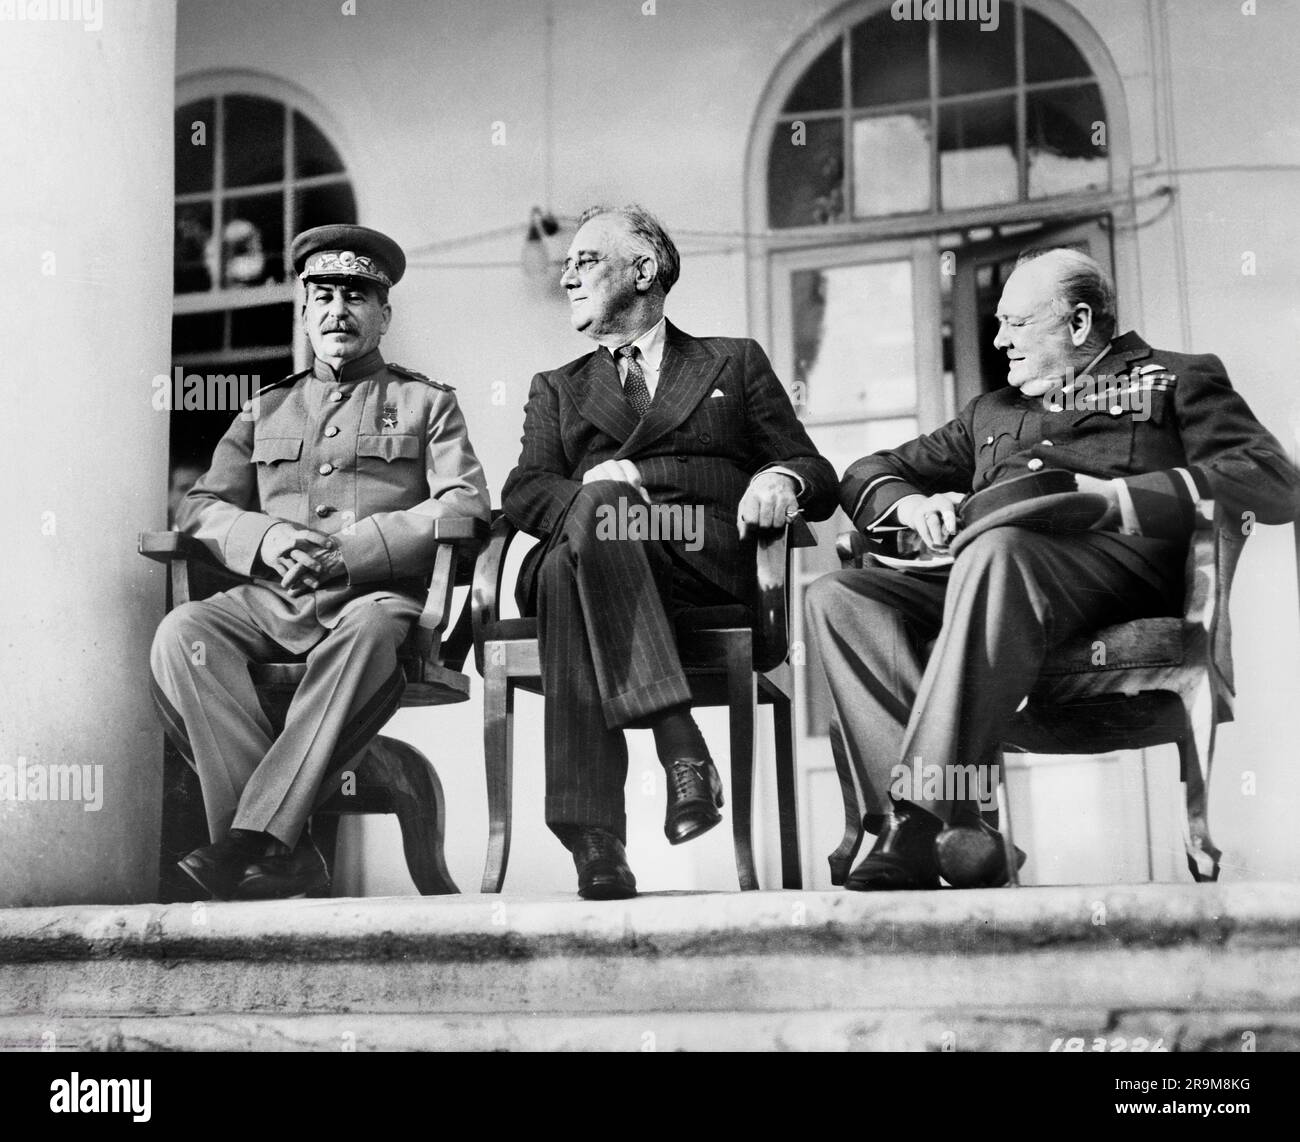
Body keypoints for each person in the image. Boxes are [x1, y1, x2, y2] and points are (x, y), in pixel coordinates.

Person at [806, 247, 1300, 891]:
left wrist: (1118, 499)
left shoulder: (1176, 378)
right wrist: (914, 499)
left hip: (1114, 575)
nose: (999, 339)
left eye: (1016, 323)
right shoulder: (991, 412)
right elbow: (866, 471)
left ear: (1078, 322)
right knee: (839, 596)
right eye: (1002, 323)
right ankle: (958, 826)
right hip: (990, 580)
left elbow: (1271, 479)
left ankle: (918, 824)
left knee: (996, 550)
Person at [502, 204, 837, 900]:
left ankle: (595, 840)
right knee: (592, 519)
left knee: (572, 567)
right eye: (565, 266)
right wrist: (601, 495)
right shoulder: (557, 387)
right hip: (599, 546)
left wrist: (780, 478)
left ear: (645, 270)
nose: (567, 277)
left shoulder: (732, 362)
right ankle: (679, 743)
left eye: (586, 261)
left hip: (699, 561)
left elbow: (816, 472)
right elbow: (524, 491)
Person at [151, 224, 490, 900]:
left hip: (374, 604)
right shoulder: (263, 407)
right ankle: (280, 847)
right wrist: (266, 538)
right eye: (324, 295)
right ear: (305, 311)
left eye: (358, 296)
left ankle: (246, 844)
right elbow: (201, 508)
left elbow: (467, 504)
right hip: (272, 604)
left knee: (366, 634)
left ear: (383, 314)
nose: (340, 310)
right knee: (182, 633)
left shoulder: (426, 404)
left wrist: (354, 552)